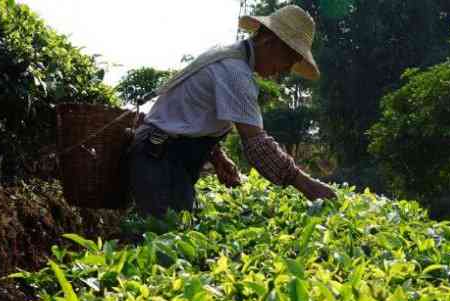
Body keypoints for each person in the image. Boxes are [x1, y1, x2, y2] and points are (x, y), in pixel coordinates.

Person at [128, 5, 335, 219]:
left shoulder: (228, 56)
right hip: (159, 159)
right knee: (163, 239)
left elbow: (191, 118)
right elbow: (258, 146)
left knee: (174, 232)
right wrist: (307, 185)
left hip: (163, 156)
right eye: (288, 60)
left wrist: (217, 157)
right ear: (269, 41)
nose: (285, 70)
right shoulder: (236, 72)